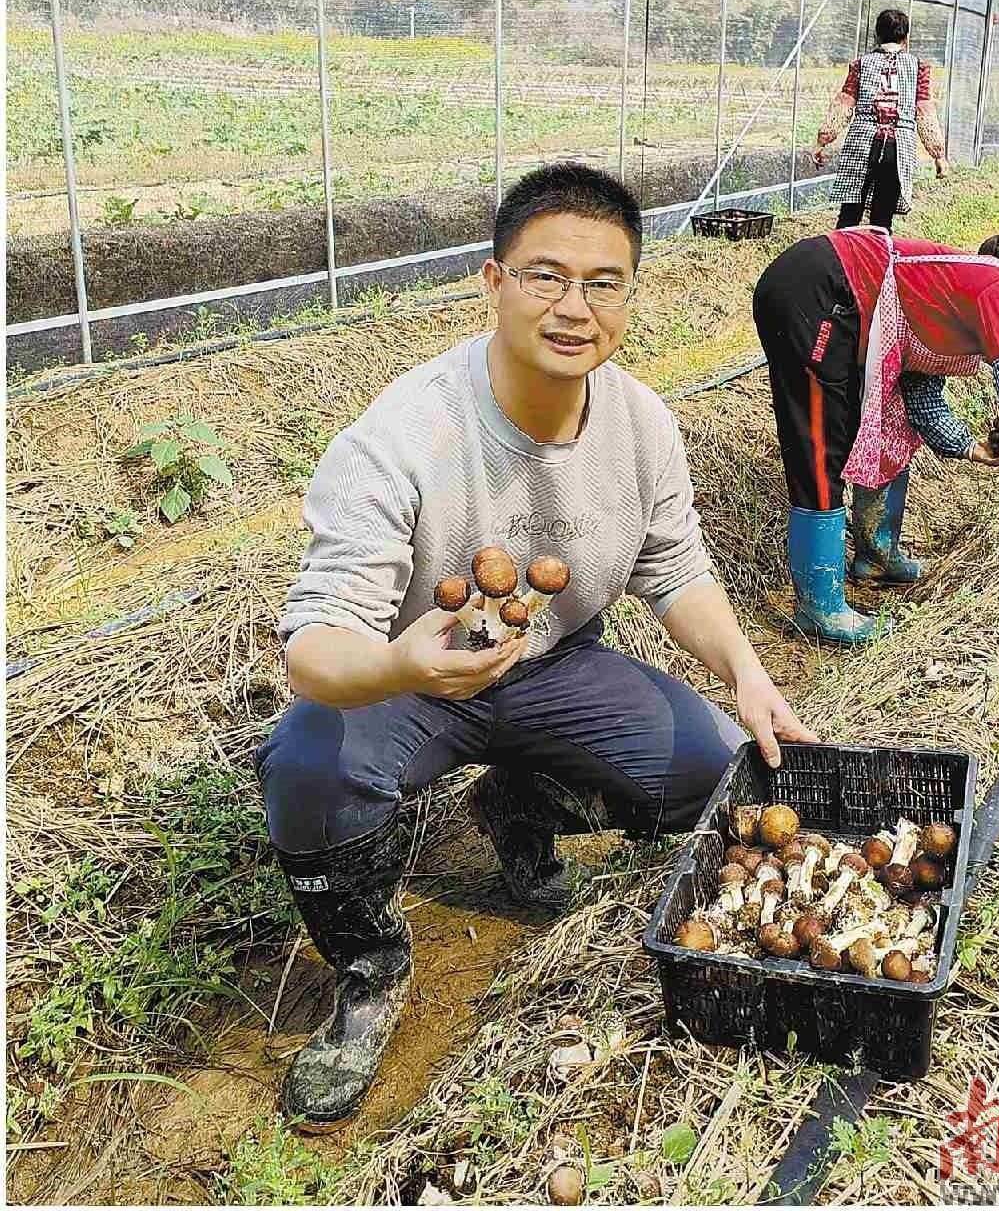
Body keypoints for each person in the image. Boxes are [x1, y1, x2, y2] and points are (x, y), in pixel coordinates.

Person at [256, 162, 816, 1130]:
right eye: (544, 275)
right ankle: (369, 971)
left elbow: (676, 569)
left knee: (716, 769)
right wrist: (402, 664)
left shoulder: (641, 421)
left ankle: (521, 802)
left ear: (631, 294)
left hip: (555, 662)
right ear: (492, 282)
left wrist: (748, 673)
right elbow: (314, 647)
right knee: (309, 772)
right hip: (404, 673)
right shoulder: (402, 435)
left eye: (604, 282)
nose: (574, 306)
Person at [751, 224, 999, 645]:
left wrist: (969, 447)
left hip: (837, 298)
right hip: (820, 290)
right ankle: (819, 608)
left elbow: (919, 390)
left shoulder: (975, 290)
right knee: (821, 447)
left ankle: (876, 556)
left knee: (890, 429)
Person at [814, 7, 948, 229]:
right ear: (905, 38)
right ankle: (877, 261)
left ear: (877, 35)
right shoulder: (918, 67)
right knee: (882, 219)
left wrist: (822, 142)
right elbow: (925, 112)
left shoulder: (861, 64)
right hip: (898, 147)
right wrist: (938, 156)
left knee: (849, 214)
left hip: (862, 142)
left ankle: (841, 259)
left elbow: (844, 104)